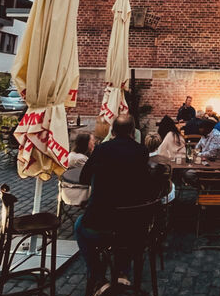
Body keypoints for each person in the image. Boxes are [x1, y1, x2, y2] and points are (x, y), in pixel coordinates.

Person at [74, 113, 153, 280]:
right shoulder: (142, 151)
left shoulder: (101, 149)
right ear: (133, 132)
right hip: (134, 226)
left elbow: (84, 178)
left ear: (113, 132)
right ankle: (122, 272)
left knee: (79, 226)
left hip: (102, 224)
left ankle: (98, 277)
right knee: (125, 229)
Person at [145, 133, 176, 204]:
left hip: (147, 193)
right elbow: (169, 177)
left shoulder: (142, 159)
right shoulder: (165, 160)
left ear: (146, 144)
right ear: (159, 144)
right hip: (162, 193)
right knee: (172, 184)